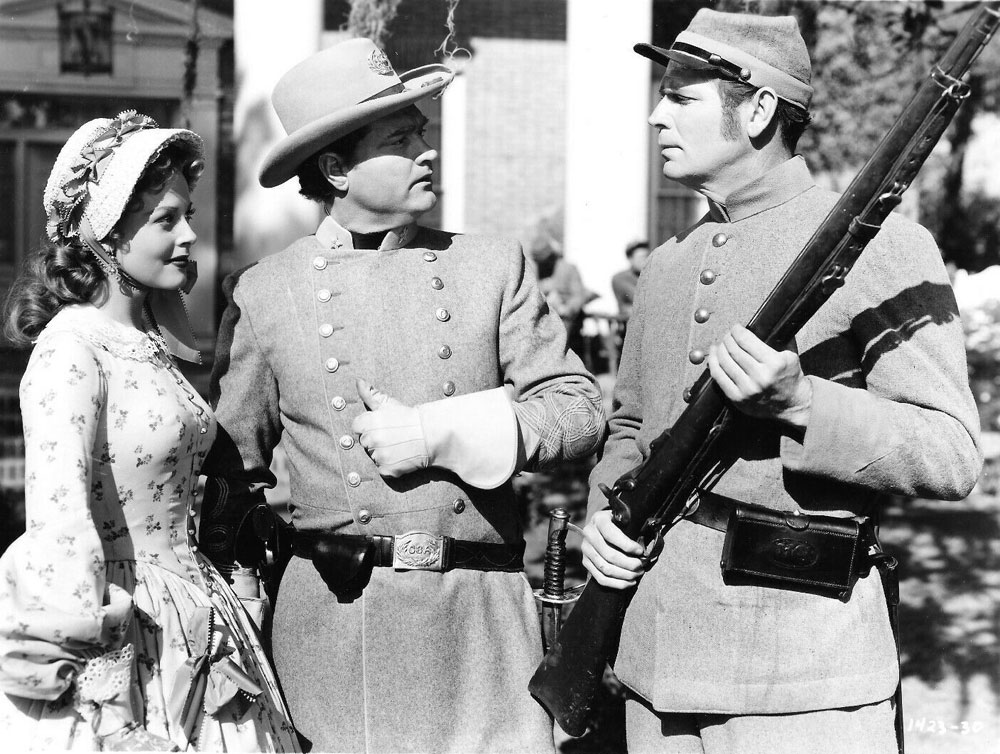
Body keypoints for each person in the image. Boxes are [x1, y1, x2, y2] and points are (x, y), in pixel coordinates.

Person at [581, 10, 981, 754]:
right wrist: (606, 515)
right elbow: (630, 427)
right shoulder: (666, 265)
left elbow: (954, 453)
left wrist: (804, 403)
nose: (654, 113)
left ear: (759, 109)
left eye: (681, 97)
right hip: (657, 665)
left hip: (803, 680)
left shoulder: (884, 245)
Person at [200, 39, 605, 754]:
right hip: (335, 625)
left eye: (422, 131)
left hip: (480, 622)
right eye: (402, 137)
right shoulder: (269, 290)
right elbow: (232, 473)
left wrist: (445, 430)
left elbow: (578, 409)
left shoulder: (489, 265)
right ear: (335, 168)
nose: (429, 151)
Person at [0, 112, 298, 751]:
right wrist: (101, 684)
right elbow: (59, 520)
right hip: (119, 629)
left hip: (195, 618)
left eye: (186, 213)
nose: (189, 234)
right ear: (107, 235)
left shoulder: (147, 343)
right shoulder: (72, 350)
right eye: (166, 220)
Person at [611, 239, 651, 320]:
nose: (646, 260)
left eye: (648, 256)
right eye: (641, 258)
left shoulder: (654, 275)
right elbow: (638, 299)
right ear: (630, 259)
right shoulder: (621, 278)